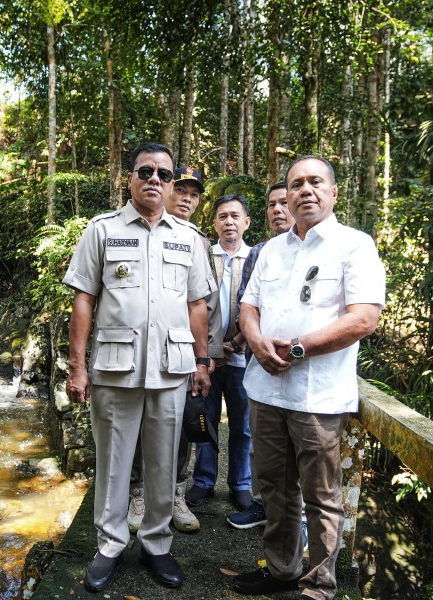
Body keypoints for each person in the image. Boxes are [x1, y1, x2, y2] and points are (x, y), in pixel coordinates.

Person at [63, 143, 215, 592]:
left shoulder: (189, 237)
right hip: (115, 368)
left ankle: (156, 544)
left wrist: (202, 361)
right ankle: (110, 544)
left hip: (171, 368)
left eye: (164, 174)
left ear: (171, 184)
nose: (154, 179)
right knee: (113, 461)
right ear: (128, 178)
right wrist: (77, 367)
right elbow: (84, 300)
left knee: (164, 463)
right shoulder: (102, 230)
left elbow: (197, 305)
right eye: (145, 171)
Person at [234, 156, 386, 599]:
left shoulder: (354, 245)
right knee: (274, 489)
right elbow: (249, 307)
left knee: (321, 495)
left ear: (333, 192)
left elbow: (364, 318)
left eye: (315, 182)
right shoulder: (272, 249)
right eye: (296, 183)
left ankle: (318, 586)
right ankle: (282, 569)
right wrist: (256, 342)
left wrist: (298, 348)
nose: (305, 190)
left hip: (317, 396)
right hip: (265, 390)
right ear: (287, 194)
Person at [127, 165, 222, 535]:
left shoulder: (198, 241)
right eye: (180, 190)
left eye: (194, 195)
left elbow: (207, 305)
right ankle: (138, 494)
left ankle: (176, 495)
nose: (186, 199)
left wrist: (205, 358)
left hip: (183, 353)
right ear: (165, 191)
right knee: (138, 426)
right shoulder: (136, 232)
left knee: (185, 425)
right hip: (143, 350)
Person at [226, 180, 294, 530]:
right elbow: (246, 305)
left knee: (300, 447)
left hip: (303, 366)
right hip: (259, 364)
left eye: (284, 202)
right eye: (272, 205)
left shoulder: (327, 249)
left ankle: (299, 521)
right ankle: (261, 504)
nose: (278, 210)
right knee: (260, 440)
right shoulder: (260, 252)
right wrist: (245, 343)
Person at [185, 194, 254, 512]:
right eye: (223, 216)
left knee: (242, 425)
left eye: (235, 216)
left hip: (242, 356)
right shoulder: (203, 255)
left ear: (246, 222)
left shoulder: (255, 258)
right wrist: (211, 349)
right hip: (207, 357)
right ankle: (203, 480)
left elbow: (259, 305)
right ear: (214, 224)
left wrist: (236, 343)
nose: (229, 222)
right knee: (205, 418)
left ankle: (241, 484)